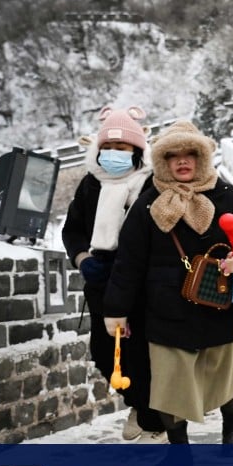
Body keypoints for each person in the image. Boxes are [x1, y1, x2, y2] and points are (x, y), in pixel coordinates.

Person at [103, 120, 233, 446]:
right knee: (170, 385)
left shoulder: (225, 195)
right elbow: (128, 262)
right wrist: (116, 310)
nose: (182, 161)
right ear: (162, 161)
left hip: (218, 301)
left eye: (190, 153)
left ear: (201, 158)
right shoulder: (148, 204)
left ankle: (231, 429)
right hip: (166, 311)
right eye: (172, 155)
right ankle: (179, 448)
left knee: (227, 374)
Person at [62, 105, 164, 443]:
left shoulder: (151, 184)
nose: (113, 153)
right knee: (105, 353)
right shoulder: (91, 184)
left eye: (121, 147)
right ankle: (138, 404)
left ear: (137, 150)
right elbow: (73, 229)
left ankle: (154, 421)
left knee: (142, 354)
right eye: (107, 147)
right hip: (100, 280)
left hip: (141, 280)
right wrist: (82, 259)